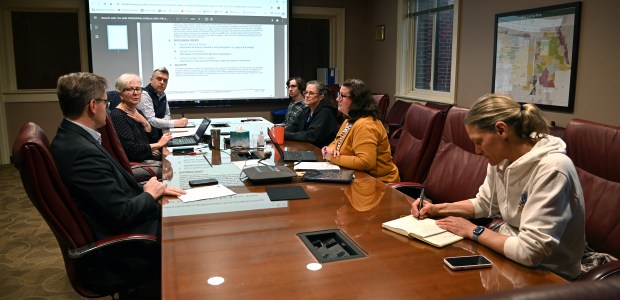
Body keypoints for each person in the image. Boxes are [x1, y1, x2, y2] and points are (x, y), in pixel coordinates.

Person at [412, 94, 585, 279]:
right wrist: (437, 209)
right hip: (510, 257)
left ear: (501, 130)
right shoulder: (502, 160)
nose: (477, 151)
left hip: (550, 274)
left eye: (479, 141)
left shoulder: (553, 168)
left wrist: (473, 230)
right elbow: (484, 203)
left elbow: (530, 251)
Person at [50, 72, 185, 241]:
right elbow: (122, 213)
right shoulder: (81, 153)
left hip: (133, 220)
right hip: (135, 239)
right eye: (105, 102)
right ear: (93, 105)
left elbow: (111, 196)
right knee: (187, 224)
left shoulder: (74, 137)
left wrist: (147, 191)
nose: (107, 108)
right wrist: (149, 195)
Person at [321, 79, 399, 183]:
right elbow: (336, 141)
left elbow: (365, 162)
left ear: (356, 100)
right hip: (356, 175)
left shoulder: (365, 125)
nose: (337, 99)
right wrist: (329, 149)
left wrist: (333, 158)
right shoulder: (350, 119)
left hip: (379, 183)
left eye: (342, 96)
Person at [110, 73, 172, 162]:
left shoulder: (137, 111)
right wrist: (157, 145)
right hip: (136, 163)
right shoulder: (118, 116)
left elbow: (153, 137)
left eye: (138, 89)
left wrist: (145, 123)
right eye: (130, 89)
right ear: (120, 94)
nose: (135, 93)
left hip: (146, 156)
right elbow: (133, 151)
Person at [137, 67, 188, 139]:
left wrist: (165, 122)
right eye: (159, 79)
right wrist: (174, 123)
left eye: (165, 80)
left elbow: (167, 114)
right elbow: (150, 120)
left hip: (161, 133)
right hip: (148, 137)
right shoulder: (145, 95)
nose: (162, 82)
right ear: (151, 80)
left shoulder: (163, 94)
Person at [284, 80, 338, 148]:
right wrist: (280, 132)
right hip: (307, 148)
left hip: (320, 152)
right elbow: (294, 126)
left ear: (321, 97)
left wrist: (285, 135)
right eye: (306, 92)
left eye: (311, 93)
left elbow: (311, 135)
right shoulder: (306, 110)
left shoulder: (326, 112)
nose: (307, 96)